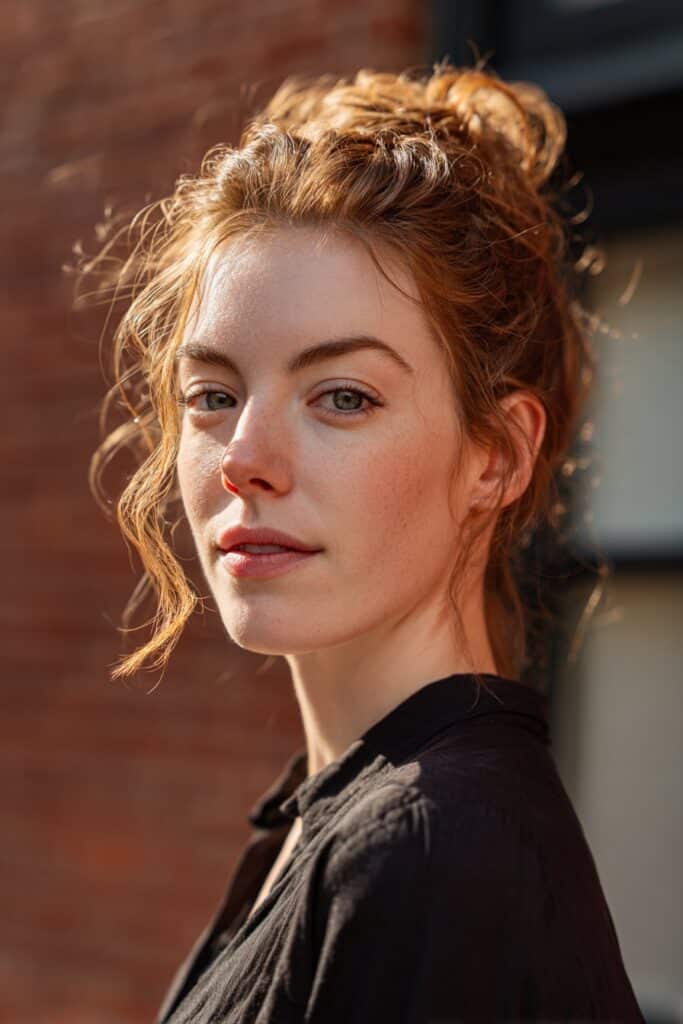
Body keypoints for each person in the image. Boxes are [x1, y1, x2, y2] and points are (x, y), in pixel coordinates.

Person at [81, 58, 645, 1022]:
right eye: (213, 395)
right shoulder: (326, 820)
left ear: (496, 457)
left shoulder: (432, 854)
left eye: (342, 397)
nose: (243, 458)